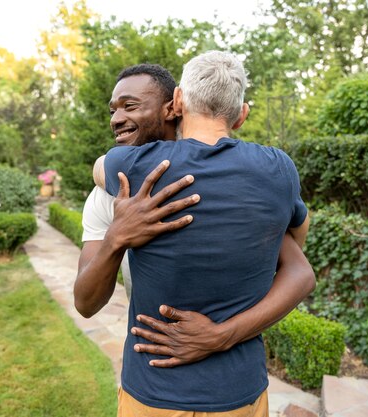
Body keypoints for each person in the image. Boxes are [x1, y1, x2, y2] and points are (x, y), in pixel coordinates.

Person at [90, 51, 310, 414]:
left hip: (153, 393)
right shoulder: (279, 169)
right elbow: (297, 242)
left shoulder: (135, 165)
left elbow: (100, 167)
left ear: (177, 101)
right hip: (240, 394)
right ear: (242, 115)